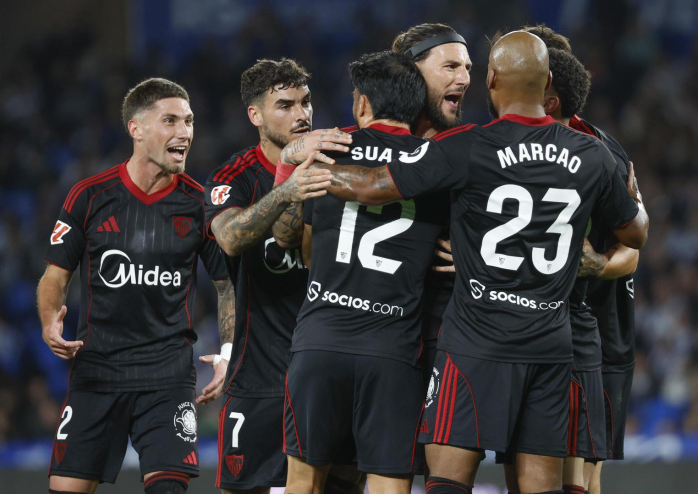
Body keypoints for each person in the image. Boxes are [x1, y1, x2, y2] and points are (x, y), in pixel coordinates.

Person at [305, 32, 649, 494]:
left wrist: (303, 166)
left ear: (490, 79)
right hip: (549, 347)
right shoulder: (593, 155)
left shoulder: (470, 145)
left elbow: (370, 186)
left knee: (446, 485)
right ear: (547, 80)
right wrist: (632, 210)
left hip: (473, 344)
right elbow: (636, 233)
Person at [37, 77, 234, 494]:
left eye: (189, 121)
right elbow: (56, 274)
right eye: (171, 121)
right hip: (97, 374)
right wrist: (49, 322)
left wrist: (228, 350)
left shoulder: (200, 205)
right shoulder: (89, 196)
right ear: (136, 129)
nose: (185, 132)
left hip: (168, 378)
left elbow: (227, 285)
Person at [283, 50, 447, 494]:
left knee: (302, 484)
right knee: (389, 486)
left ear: (361, 105)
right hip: (393, 350)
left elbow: (303, 248)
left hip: (320, 341)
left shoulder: (328, 150)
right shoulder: (437, 160)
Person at [204, 58, 361, 494]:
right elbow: (231, 240)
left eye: (306, 102)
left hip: (330, 375)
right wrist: (287, 190)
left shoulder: (340, 167)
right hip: (257, 382)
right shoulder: (233, 178)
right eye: (285, 105)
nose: (301, 115)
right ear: (255, 115)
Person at [521, 25, 642, 494]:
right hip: (552, 329)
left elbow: (630, 249)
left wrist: (594, 266)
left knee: (581, 475)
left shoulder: (601, 153)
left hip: (597, 331)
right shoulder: (533, 147)